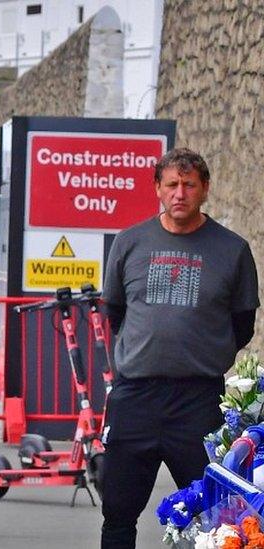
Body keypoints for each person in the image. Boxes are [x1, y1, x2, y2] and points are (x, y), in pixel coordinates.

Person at [100, 148, 259, 548]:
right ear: (157, 188)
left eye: (189, 185)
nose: (180, 193)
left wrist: (199, 353)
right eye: (171, 184)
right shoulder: (129, 242)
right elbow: (115, 312)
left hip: (198, 401)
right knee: (118, 511)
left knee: (217, 516)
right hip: (135, 396)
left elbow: (242, 325)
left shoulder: (233, 250)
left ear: (204, 189)